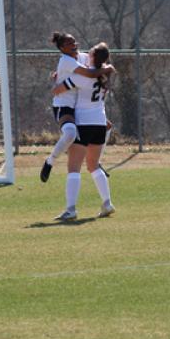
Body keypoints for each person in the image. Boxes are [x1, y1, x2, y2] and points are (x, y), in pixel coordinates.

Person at [51, 42, 115, 220]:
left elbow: (57, 90)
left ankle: (71, 209)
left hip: (83, 124)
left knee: (74, 167)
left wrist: (56, 81)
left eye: (90, 54)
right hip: (100, 124)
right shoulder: (104, 77)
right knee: (93, 165)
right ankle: (107, 203)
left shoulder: (83, 77)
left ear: (93, 57)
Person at [40, 32, 114, 182]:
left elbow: (96, 60)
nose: (74, 45)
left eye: (74, 42)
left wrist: (106, 65)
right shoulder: (66, 60)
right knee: (70, 133)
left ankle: (96, 161)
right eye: (69, 44)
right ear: (61, 48)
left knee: (106, 126)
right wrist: (107, 69)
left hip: (79, 107)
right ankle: (50, 162)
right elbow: (89, 72)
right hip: (64, 105)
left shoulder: (81, 56)